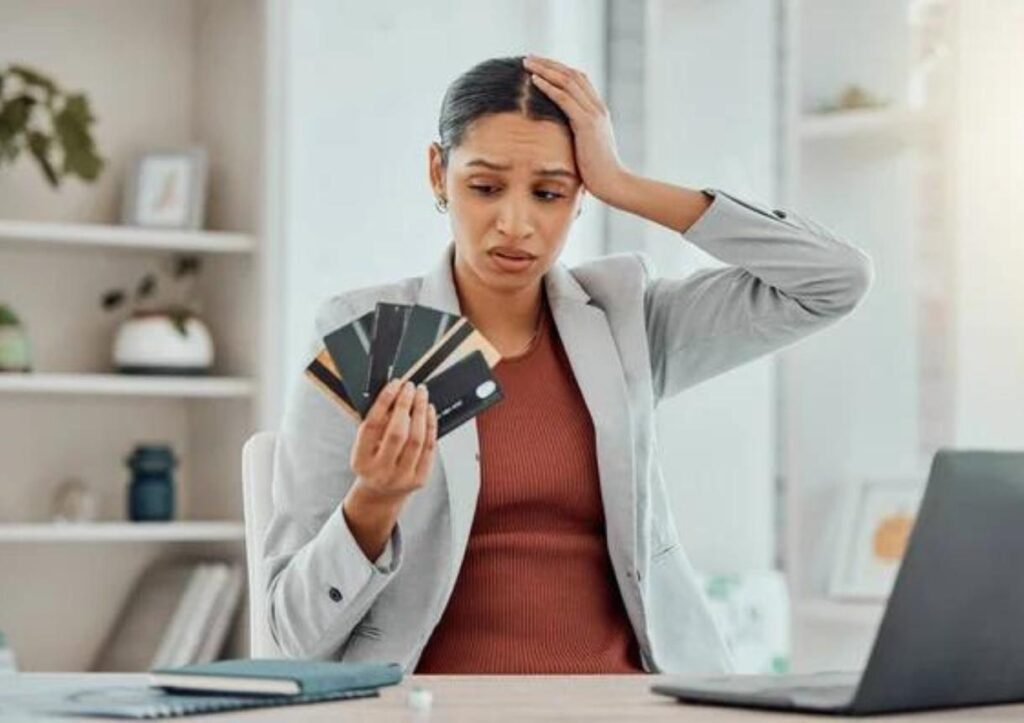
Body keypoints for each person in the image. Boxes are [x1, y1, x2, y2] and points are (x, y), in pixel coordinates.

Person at [262, 55, 873, 674]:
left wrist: (625, 185)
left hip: (631, 703)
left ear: (581, 194)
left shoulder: (624, 319)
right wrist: (373, 502)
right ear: (436, 173)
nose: (516, 224)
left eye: (550, 192)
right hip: (439, 705)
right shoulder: (362, 333)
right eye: (484, 187)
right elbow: (293, 634)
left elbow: (835, 281)